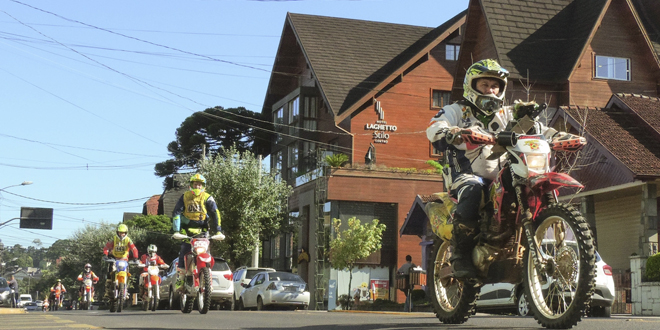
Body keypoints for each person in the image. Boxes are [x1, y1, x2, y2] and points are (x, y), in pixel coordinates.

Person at [426, 59, 575, 279]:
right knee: (474, 190)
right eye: (485, 84)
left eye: (495, 85)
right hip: (465, 174)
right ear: (472, 86)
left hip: (504, 174)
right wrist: (451, 132)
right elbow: (435, 127)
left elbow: (540, 130)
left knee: (525, 189)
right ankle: (460, 255)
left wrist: (564, 137)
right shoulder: (456, 110)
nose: (490, 90)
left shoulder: (508, 114)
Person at [172, 173, 223, 291]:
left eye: (199, 185)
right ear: (191, 185)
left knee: (208, 253)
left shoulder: (208, 197)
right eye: (195, 184)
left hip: (203, 232)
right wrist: (176, 231)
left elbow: (216, 213)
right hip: (187, 232)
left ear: (203, 186)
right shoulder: (184, 196)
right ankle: (181, 278)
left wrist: (218, 231)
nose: (197, 187)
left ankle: (208, 276)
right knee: (184, 251)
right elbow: (176, 213)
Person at [102, 224, 139, 298]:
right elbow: (107, 247)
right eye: (120, 232)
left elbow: (134, 249)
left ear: (126, 233)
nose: (121, 234)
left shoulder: (128, 240)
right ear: (117, 232)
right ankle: (107, 290)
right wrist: (105, 254)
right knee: (110, 272)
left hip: (125, 260)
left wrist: (135, 257)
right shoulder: (114, 239)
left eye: (123, 233)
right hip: (115, 259)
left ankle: (127, 289)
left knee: (128, 274)